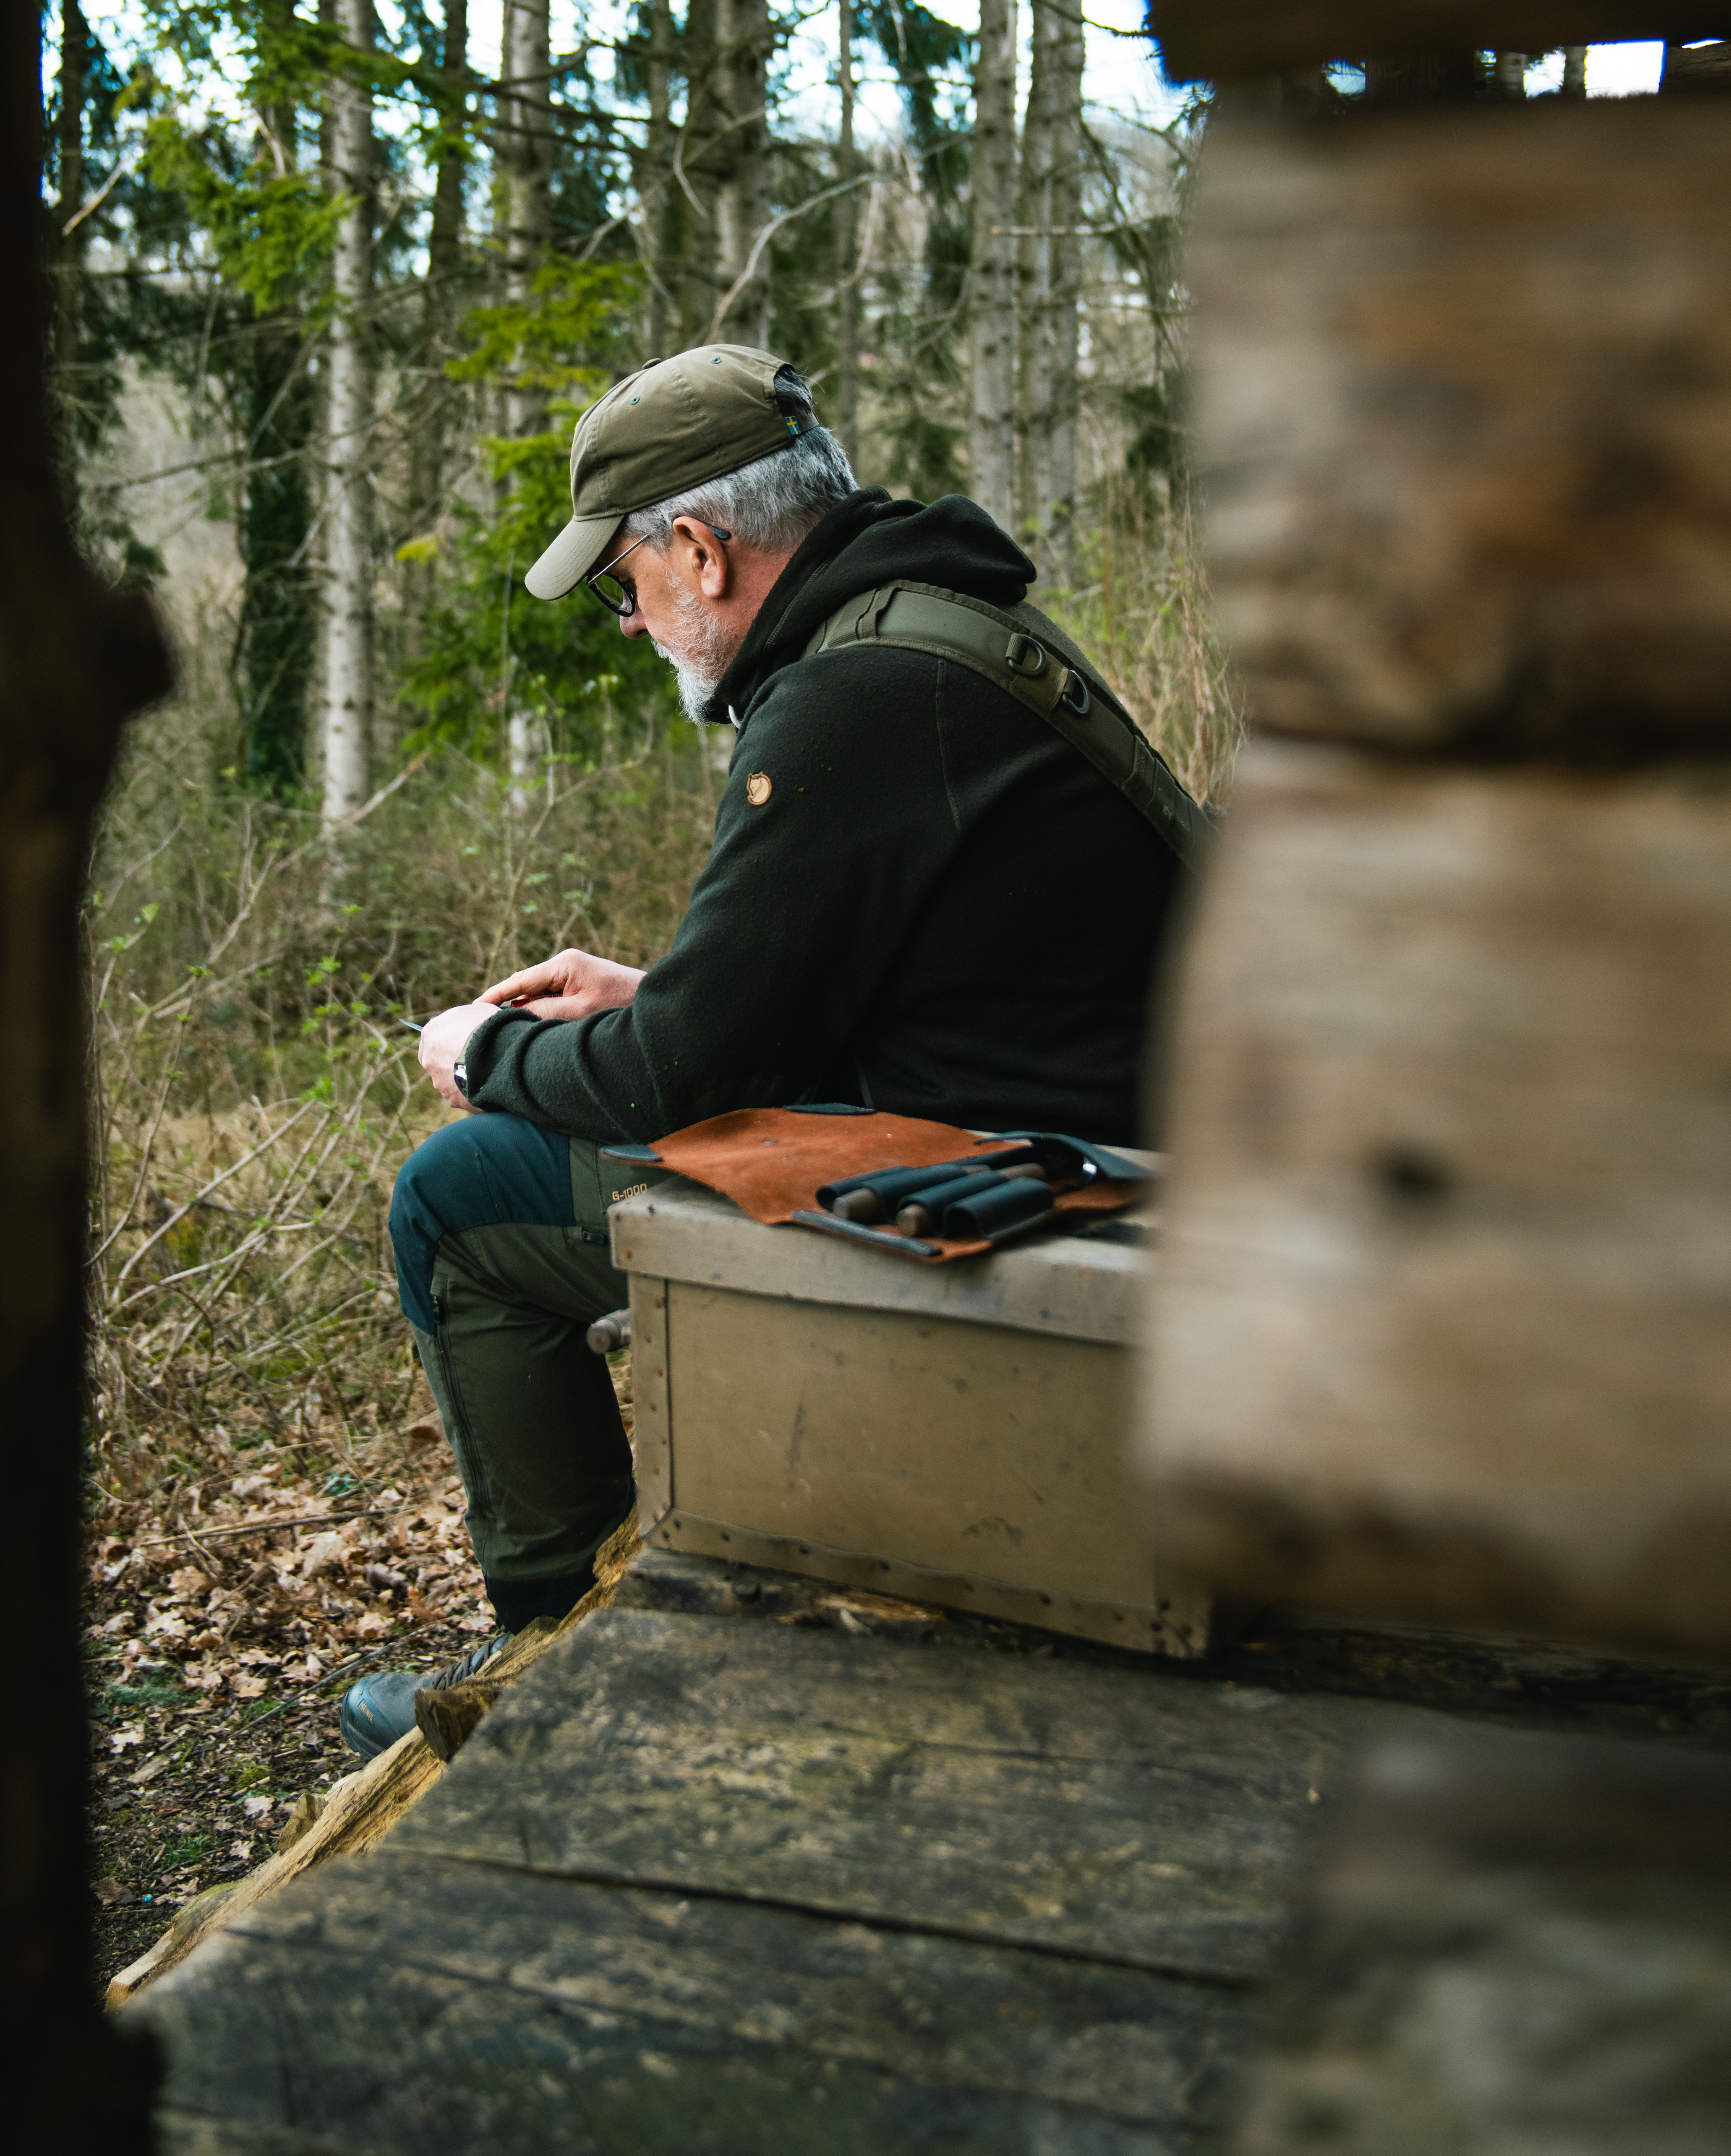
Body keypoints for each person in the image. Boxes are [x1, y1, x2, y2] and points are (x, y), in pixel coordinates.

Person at [340, 342, 1206, 1757]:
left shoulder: (850, 700)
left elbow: (670, 1078)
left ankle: (543, 1663)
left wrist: (480, 1049)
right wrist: (653, 987)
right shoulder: (936, 629)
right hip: (1108, 1132)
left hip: (1061, 1194)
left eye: (625, 583)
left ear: (700, 548)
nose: (629, 621)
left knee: (458, 1202)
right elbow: (928, 968)